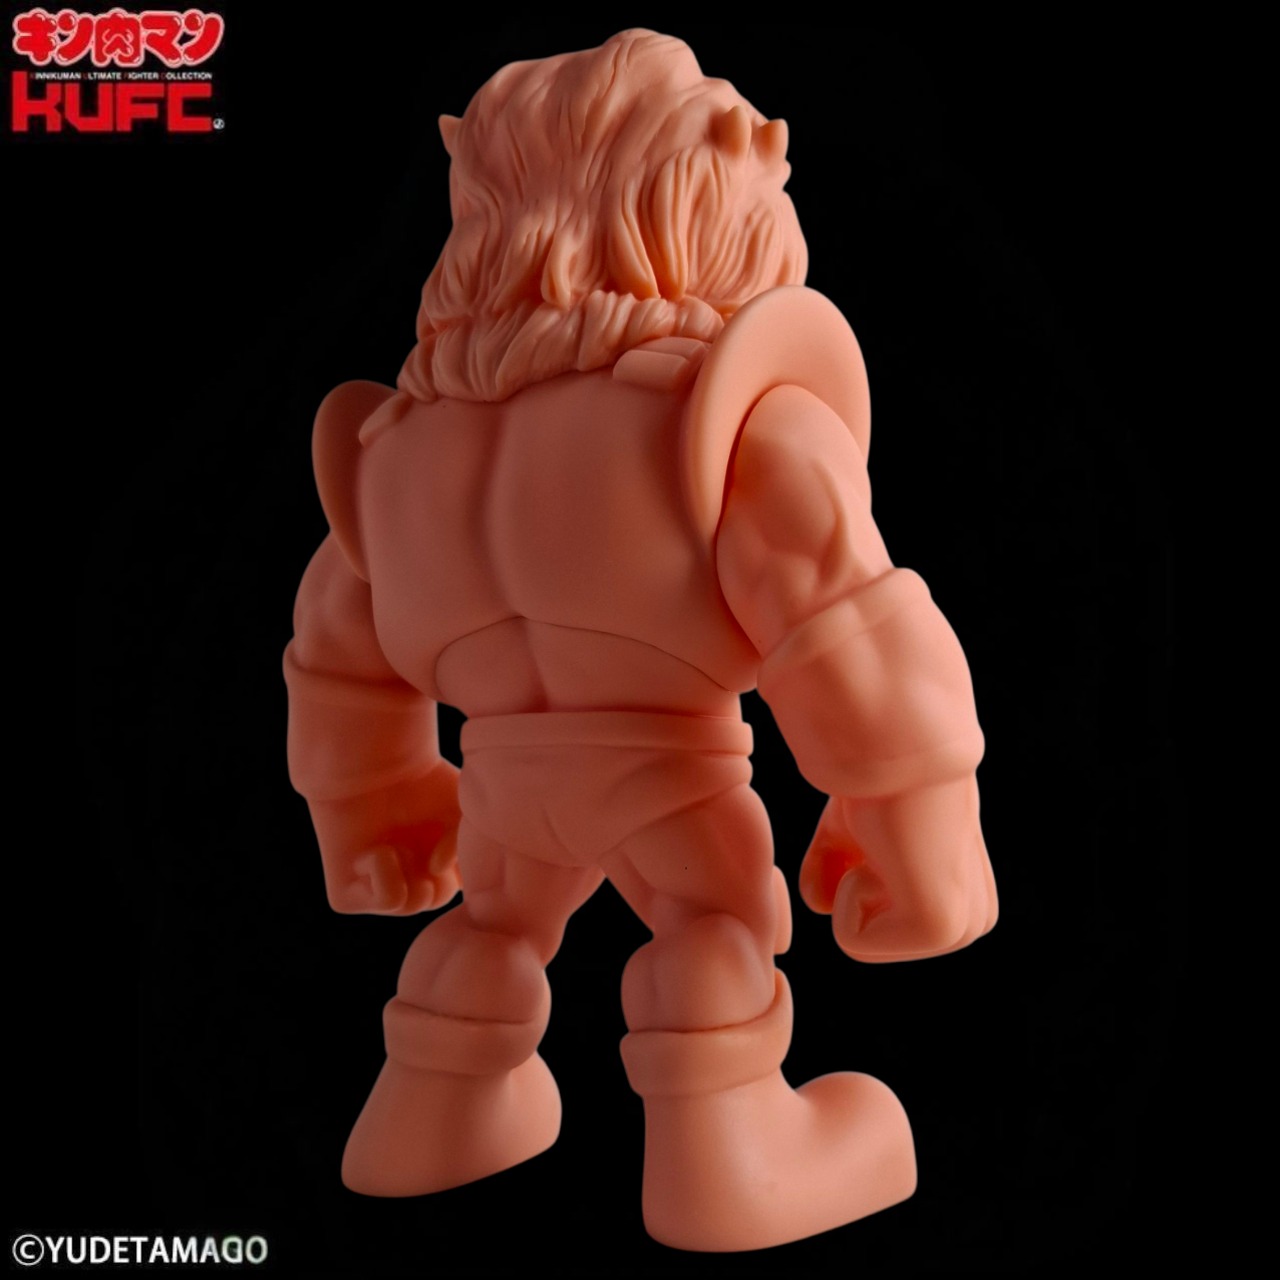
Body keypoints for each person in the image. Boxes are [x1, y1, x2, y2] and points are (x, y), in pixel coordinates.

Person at [284, 29, 996, 1252]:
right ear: (716, 190)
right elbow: (848, 622)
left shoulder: (397, 450)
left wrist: (376, 805)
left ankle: (433, 1118)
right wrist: (920, 834)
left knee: (488, 933)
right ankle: (732, 1164)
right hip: (670, 781)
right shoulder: (714, 414)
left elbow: (336, 648)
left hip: (504, 792)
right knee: (710, 935)